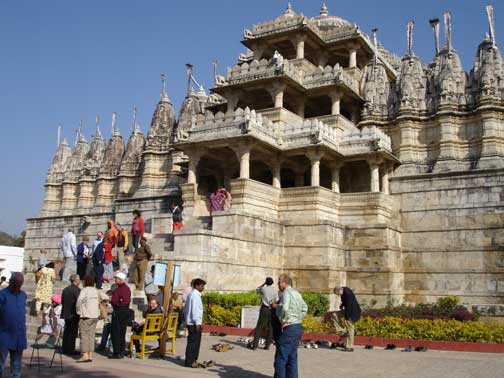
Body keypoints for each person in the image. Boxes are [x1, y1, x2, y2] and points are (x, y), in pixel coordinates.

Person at [271, 273, 307, 378]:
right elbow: (305, 307)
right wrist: (298, 318)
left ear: (284, 283)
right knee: (292, 358)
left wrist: (282, 319)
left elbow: (285, 308)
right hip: (297, 327)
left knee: (280, 359)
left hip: (289, 327)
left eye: (279, 282)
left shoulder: (286, 293)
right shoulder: (296, 293)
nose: (278, 284)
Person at [76, 275, 109, 363]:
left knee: (84, 335)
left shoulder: (84, 290)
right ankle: (90, 354)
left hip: (86, 316)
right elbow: (106, 297)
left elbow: (79, 301)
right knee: (91, 335)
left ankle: (85, 355)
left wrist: (79, 311)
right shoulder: (96, 290)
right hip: (95, 316)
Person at [0, 273, 27, 378]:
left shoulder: (23, 295)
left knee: (16, 367)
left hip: (18, 335)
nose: (17, 286)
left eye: (19, 284)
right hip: (3, 334)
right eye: (15, 284)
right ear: (10, 282)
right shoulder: (2, 295)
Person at [330, 286, 361, 352]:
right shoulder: (343, 290)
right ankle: (343, 331)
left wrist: (347, 318)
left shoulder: (348, 294)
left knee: (350, 328)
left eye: (338, 294)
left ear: (340, 290)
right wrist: (342, 305)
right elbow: (345, 301)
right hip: (347, 310)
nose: (338, 295)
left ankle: (349, 347)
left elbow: (349, 306)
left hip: (353, 312)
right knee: (334, 314)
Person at [251, 277, 278, 350]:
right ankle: (267, 346)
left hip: (264, 309)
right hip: (272, 310)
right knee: (270, 328)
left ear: (266, 282)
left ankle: (255, 346)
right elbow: (277, 300)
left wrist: (263, 284)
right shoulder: (275, 290)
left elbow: (257, 289)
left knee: (259, 327)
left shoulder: (263, 289)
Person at [184, 278, 206, 368]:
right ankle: (191, 361)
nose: (203, 287)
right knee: (194, 343)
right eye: (202, 286)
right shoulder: (195, 295)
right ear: (197, 286)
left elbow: (185, 308)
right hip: (194, 323)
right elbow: (195, 310)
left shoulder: (192, 295)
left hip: (191, 322)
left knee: (192, 342)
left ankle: (191, 360)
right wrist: (197, 323)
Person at [109, 272, 131, 359]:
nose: (115, 280)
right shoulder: (122, 288)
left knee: (117, 332)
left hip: (120, 311)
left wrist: (114, 302)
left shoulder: (124, 289)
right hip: (121, 310)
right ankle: (119, 351)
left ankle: (117, 352)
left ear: (121, 280)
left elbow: (123, 301)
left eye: (116, 279)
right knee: (120, 332)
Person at [61, 274, 81, 356]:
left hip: (66, 312)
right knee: (73, 332)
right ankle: (70, 349)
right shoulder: (77, 290)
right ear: (76, 280)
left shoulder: (65, 289)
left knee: (67, 331)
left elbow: (62, 301)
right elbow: (78, 302)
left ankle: (65, 348)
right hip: (73, 313)